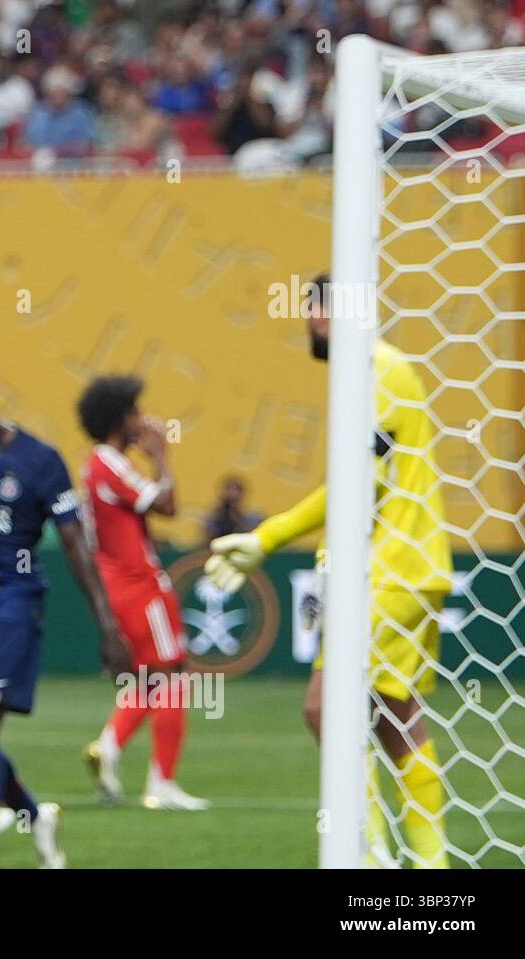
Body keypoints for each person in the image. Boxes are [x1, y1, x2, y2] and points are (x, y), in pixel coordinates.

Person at [206, 272, 453, 868]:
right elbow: (357, 483)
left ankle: (367, 857)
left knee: (328, 707)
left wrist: (270, 536)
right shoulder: (370, 375)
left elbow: (363, 483)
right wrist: (274, 540)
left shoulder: (381, 372)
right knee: (396, 719)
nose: (308, 322)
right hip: (407, 568)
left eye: (313, 310)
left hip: (389, 571)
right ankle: (430, 864)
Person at [0, 360, 125, 868]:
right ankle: (35, 816)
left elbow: (76, 545)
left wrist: (108, 627)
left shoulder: (39, 460)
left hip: (13, 606)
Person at [77, 375, 209, 811]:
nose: (141, 418)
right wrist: (161, 457)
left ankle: (108, 748)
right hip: (138, 585)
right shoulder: (110, 463)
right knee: (173, 675)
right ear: (119, 418)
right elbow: (167, 505)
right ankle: (162, 784)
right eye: (134, 411)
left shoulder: (97, 464)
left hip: (121, 585)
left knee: (153, 680)